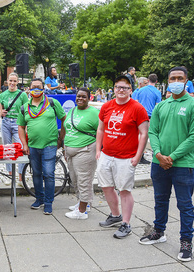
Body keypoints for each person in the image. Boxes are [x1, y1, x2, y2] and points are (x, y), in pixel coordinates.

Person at [139, 66, 194, 262]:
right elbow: (153, 132)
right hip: (158, 163)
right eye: (173, 78)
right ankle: (159, 231)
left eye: (180, 78)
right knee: (160, 200)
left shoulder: (192, 104)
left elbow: (193, 136)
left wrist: (172, 157)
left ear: (186, 81)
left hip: (184, 164)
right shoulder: (161, 106)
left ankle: (186, 241)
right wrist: (159, 154)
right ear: (168, 81)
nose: (176, 81)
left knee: (185, 205)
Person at [96, 75, 149, 239]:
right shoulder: (107, 106)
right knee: (106, 186)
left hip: (126, 157)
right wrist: (98, 150)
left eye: (125, 88)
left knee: (124, 190)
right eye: (118, 87)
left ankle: (126, 223)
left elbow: (144, 133)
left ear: (130, 90)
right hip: (106, 155)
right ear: (114, 89)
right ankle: (115, 215)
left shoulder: (137, 108)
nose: (121, 90)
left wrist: (138, 156)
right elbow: (101, 129)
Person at [17, 78, 66, 215]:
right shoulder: (25, 107)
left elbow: (64, 120)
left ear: (43, 89)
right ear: (29, 89)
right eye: (33, 87)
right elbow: (21, 127)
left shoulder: (52, 103)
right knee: (36, 174)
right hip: (32, 146)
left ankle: (49, 202)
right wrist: (24, 144)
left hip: (50, 145)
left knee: (49, 174)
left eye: (39, 87)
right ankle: (39, 199)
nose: (36, 89)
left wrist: (60, 139)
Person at [64, 87, 99, 220]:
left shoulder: (94, 113)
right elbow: (67, 128)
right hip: (70, 151)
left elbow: (101, 131)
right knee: (75, 179)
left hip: (85, 150)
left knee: (84, 180)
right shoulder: (72, 110)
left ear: (89, 98)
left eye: (84, 96)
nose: (80, 99)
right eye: (78, 96)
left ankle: (82, 211)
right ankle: (83, 203)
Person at [0, 72, 28, 186]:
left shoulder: (22, 95)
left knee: (20, 149)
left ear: (17, 82)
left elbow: (26, 110)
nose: (12, 83)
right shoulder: (3, 95)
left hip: (18, 123)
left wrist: (26, 126)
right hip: (6, 123)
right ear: (7, 81)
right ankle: (10, 176)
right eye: (10, 81)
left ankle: (21, 178)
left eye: (14, 81)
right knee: (7, 149)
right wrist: (1, 112)